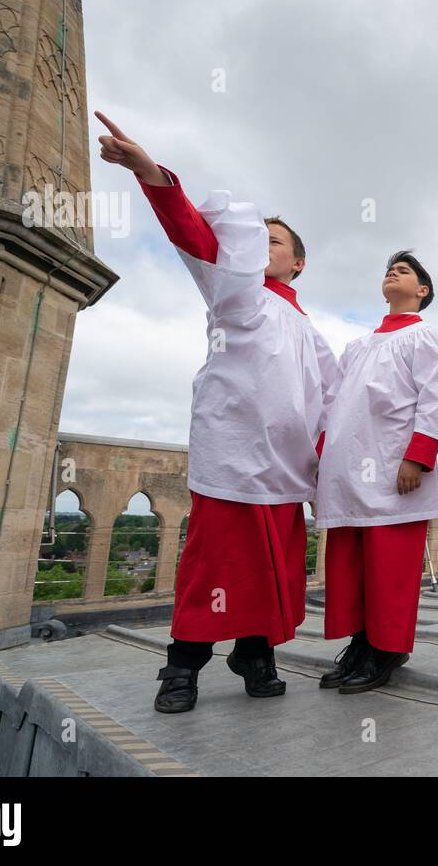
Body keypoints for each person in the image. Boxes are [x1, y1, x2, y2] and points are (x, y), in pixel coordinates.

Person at [94, 111, 338, 714]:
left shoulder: (313, 334)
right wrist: (154, 177)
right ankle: (182, 667)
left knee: (276, 568)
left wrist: (326, 469)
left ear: (298, 263)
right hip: (231, 457)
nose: (259, 247)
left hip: (286, 469)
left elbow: (330, 408)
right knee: (215, 566)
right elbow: (199, 241)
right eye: (257, 239)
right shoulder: (237, 295)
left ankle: (255, 653)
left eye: (273, 241)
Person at [314, 251, 438, 693]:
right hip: (348, 469)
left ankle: (387, 649)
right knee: (352, 562)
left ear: (422, 290)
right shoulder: (357, 347)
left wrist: (419, 453)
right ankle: (360, 644)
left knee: (388, 564)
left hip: (395, 465)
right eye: (389, 269)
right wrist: (323, 458)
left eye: (405, 270)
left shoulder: (426, 336)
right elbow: (332, 406)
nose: (393, 272)